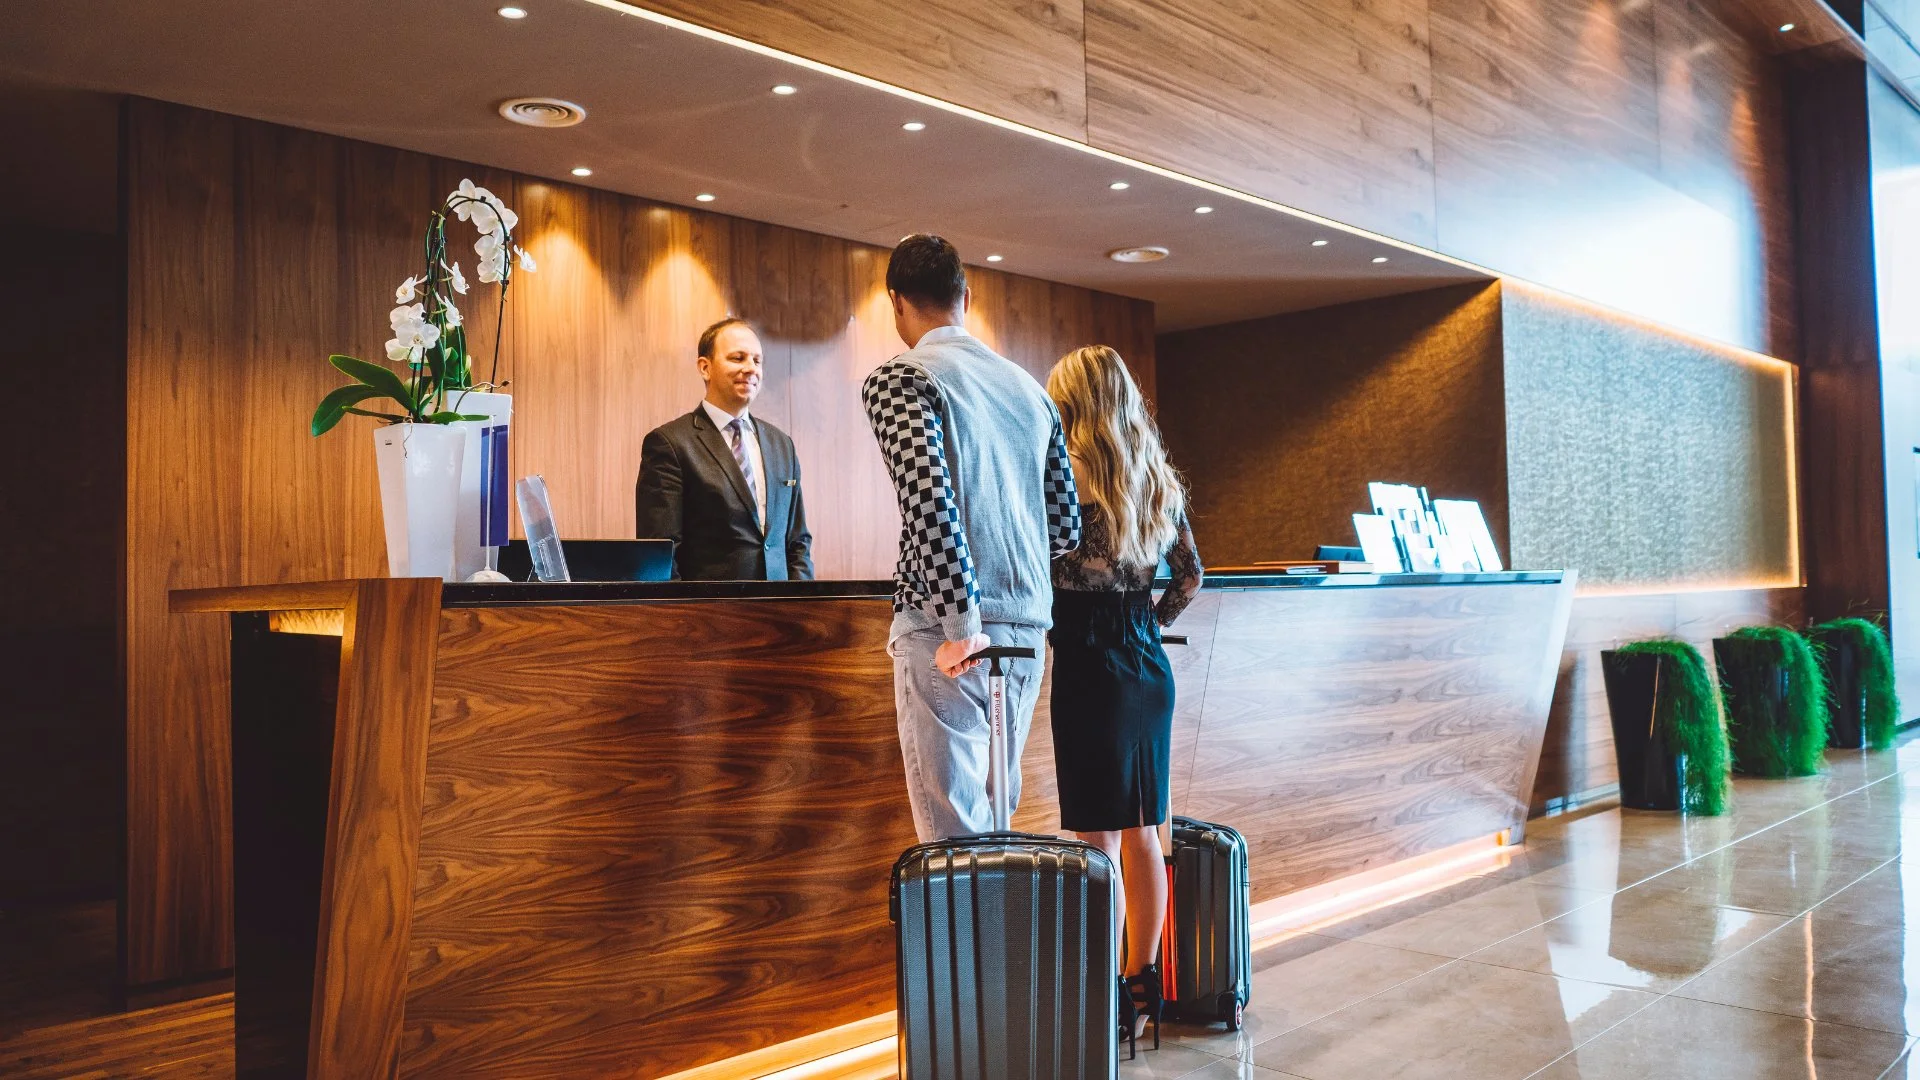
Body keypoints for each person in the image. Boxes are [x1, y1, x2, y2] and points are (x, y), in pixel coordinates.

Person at [861, 233, 1080, 843]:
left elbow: (930, 503)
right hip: (1028, 628)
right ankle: (1003, 943)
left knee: (955, 842)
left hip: (948, 634)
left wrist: (963, 628)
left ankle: (974, 943)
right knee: (998, 824)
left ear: (897, 302)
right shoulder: (1029, 390)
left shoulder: (900, 379)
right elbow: (1064, 525)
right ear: (966, 294)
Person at [1044, 344, 1203, 1048]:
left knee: (1096, 838)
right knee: (1145, 830)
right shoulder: (1156, 477)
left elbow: (1039, 569)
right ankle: (1143, 987)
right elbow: (1191, 577)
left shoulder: (1066, 477)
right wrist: (1146, 626)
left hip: (1087, 666)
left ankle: (1102, 995)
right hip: (1145, 666)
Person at [636, 317, 813, 581]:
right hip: (710, 616)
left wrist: (802, 608)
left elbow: (797, 542)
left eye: (757, 360)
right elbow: (662, 553)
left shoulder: (782, 445)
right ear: (705, 367)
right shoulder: (669, 444)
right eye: (738, 358)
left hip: (782, 613)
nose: (751, 368)